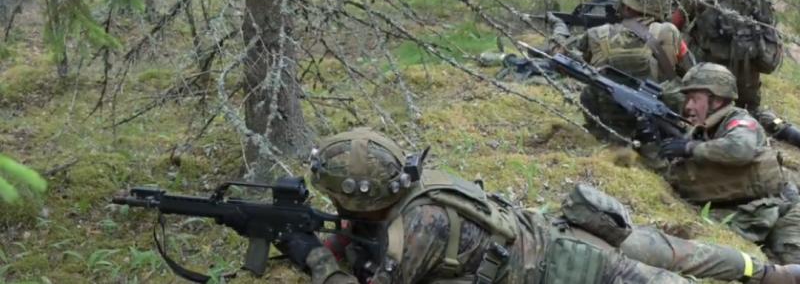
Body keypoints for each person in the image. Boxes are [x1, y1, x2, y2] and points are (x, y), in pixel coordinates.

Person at [276, 128, 800, 283]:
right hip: (557, 232)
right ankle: (770, 273)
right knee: (678, 253)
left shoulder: (416, 228)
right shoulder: (420, 182)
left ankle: (768, 273)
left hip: (578, 271)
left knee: (670, 273)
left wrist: (315, 257)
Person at [658, 63, 800, 265]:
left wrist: (690, 148)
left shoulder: (739, 121)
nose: (688, 106)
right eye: (687, 99)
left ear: (716, 100)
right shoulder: (701, 130)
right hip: (745, 214)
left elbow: (740, 149)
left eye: (695, 99)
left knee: (793, 264)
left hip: (782, 210)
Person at [671, 0, 800, 147]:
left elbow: (674, 25)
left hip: (711, 74)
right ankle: (788, 131)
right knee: (753, 111)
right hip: (748, 65)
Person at [575, 0, 692, 143]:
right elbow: (690, 72)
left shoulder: (596, 34)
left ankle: (601, 135)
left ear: (627, 4)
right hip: (659, 126)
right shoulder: (668, 32)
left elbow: (576, 60)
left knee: (590, 89)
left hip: (610, 125)